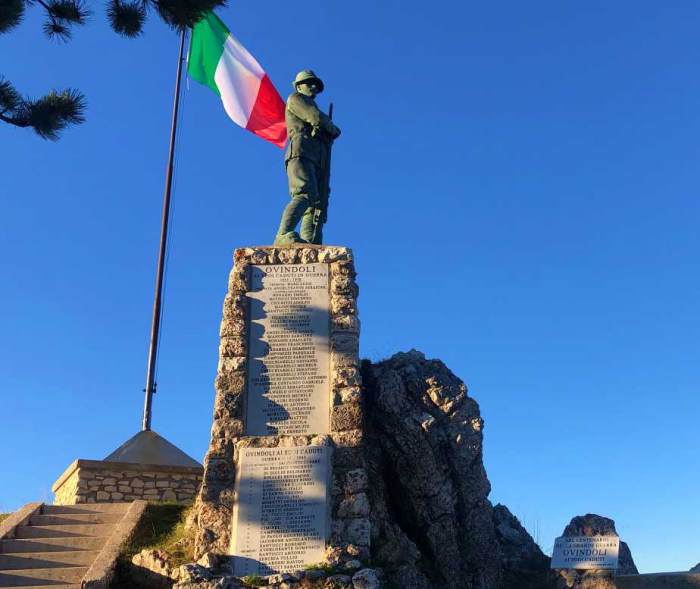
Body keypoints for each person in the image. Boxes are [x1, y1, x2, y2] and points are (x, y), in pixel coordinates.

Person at [274, 70, 341, 245]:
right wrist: (331, 127)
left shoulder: (311, 104)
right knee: (304, 193)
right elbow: (315, 117)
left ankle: (309, 242)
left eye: (316, 85)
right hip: (300, 152)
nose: (313, 87)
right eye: (309, 83)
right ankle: (283, 234)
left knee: (316, 203)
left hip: (316, 157)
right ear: (298, 86)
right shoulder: (296, 99)